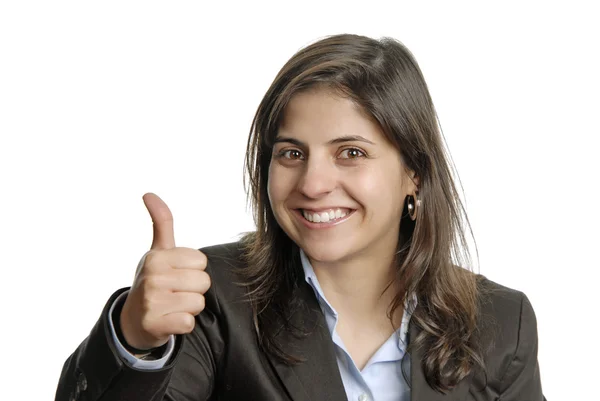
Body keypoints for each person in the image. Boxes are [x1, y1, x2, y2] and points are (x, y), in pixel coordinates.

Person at [55, 33, 545, 401]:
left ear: (413, 173)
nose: (312, 184)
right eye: (291, 153)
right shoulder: (210, 301)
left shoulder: (501, 324)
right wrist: (134, 339)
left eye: (350, 152)